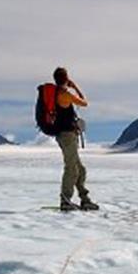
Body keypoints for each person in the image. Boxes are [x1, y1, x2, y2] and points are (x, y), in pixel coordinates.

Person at [53, 67, 99, 212]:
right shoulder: (64, 94)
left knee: (80, 169)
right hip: (67, 135)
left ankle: (85, 200)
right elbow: (84, 103)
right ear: (66, 78)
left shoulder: (55, 93)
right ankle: (65, 200)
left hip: (64, 135)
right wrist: (75, 87)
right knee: (72, 168)